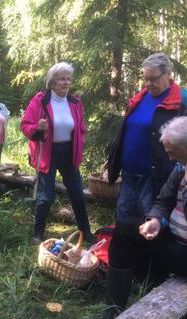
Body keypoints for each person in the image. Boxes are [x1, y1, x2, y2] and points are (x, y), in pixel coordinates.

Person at [102, 116, 187, 319]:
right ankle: (112, 308)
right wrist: (156, 221)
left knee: (149, 253)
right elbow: (163, 202)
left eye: (173, 152)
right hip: (173, 239)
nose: (170, 158)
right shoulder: (181, 168)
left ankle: (151, 289)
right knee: (125, 229)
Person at [20, 62, 94, 243]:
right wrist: (38, 127)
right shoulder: (40, 100)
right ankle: (38, 233)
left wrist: (80, 142)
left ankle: (86, 232)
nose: (66, 82)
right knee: (46, 197)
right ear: (52, 82)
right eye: (62, 79)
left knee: (77, 193)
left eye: (69, 79)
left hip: (68, 152)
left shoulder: (75, 102)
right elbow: (25, 125)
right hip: (48, 152)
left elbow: (81, 128)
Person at [108, 52, 187, 221]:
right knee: (124, 218)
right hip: (129, 172)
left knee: (148, 220)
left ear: (168, 74)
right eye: (146, 79)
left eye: (154, 79)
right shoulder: (140, 97)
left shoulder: (181, 100)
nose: (149, 84)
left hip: (155, 176)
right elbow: (126, 131)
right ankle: (125, 248)